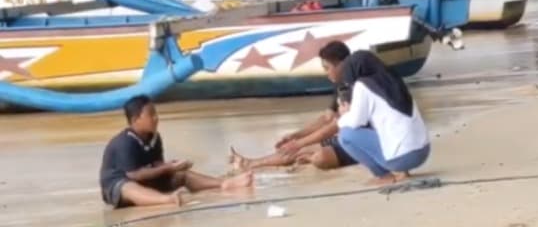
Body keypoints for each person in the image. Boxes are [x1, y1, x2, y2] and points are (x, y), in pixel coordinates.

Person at [100, 95, 253, 208]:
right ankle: (165, 199)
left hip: (145, 181)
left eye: (156, 113)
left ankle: (223, 184)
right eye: (151, 115)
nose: (156, 118)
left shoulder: (154, 137)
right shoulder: (125, 142)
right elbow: (133, 174)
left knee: (181, 175)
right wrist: (167, 168)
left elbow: (157, 164)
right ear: (135, 120)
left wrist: (174, 166)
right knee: (128, 187)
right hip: (118, 185)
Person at [229, 41, 357, 173]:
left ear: (341, 65)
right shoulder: (342, 85)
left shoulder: (353, 88)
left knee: (302, 150)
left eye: (327, 68)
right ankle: (250, 163)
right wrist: (296, 136)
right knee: (302, 147)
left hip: (357, 140)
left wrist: (299, 143)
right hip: (346, 135)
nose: (326, 73)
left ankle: (249, 164)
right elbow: (327, 118)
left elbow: (333, 126)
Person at [337, 51, 431, 184]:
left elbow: (355, 122)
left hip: (403, 158)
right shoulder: (392, 78)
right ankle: (404, 172)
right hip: (423, 152)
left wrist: (343, 115)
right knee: (389, 124)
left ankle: (383, 175)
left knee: (345, 135)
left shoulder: (362, 85)